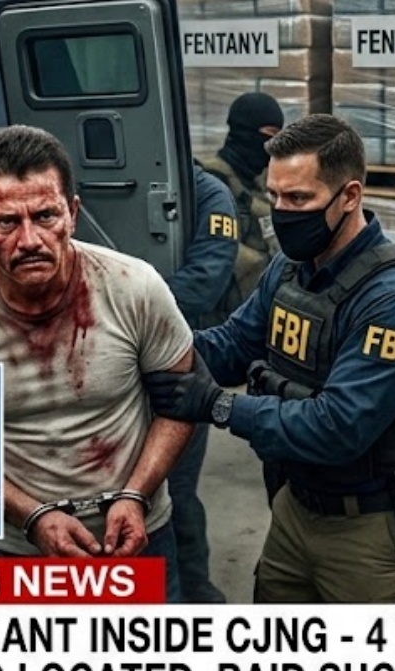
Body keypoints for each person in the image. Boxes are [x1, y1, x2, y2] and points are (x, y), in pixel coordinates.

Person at [143, 114, 395, 603]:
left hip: (369, 532)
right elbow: (234, 344)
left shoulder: (394, 301)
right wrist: (147, 348)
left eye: (299, 199)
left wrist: (219, 406)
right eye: (276, 196)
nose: (283, 212)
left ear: (350, 196)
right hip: (294, 507)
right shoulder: (289, 268)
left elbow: (340, 426)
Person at [0, 125, 197, 601]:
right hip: (12, 552)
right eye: (5, 222)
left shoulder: (134, 287)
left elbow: (182, 404)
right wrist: (31, 517)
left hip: (135, 540)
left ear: (72, 213)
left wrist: (136, 494)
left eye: (45, 216)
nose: (29, 240)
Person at [161, 166, 241, 603]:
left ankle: (195, 591)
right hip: (110, 370)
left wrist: (127, 308)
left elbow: (204, 284)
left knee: (176, 494)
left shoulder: (208, 195)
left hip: (179, 368)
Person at [196, 92, 285, 320]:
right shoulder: (212, 183)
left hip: (256, 310)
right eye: (269, 136)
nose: (271, 147)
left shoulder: (258, 183)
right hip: (223, 317)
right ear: (244, 132)